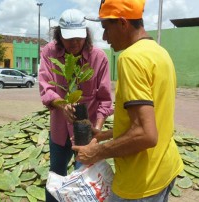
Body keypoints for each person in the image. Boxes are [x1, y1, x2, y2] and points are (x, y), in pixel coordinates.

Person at [72, 0, 184, 201]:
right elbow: (150, 120)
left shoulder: (131, 58)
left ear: (123, 23)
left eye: (106, 28)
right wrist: (104, 134)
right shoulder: (160, 53)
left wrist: (95, 152)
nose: (105, 37)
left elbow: (146, 135)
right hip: (165, 168)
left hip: (140, 182)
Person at [38, 8, 114, 202]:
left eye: (79, 38)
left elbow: (105, 99)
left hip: (85, 134)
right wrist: (63, 105)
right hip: (59, 130)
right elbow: (46, 86)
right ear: (59, 35)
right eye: (68, 38)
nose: (74, 43)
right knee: (56, 174)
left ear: (86, 34)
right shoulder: (49, 52)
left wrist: (96, 129)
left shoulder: (99, 58)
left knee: (83, 178)